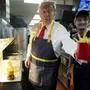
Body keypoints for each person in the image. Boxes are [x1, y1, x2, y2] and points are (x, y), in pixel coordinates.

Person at [25, 1, 77, 90]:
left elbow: (69, 44)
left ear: (54, 12)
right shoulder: (35, 27)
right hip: (33, 72)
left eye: (49, 11)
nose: (47, 14)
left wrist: (78, 52)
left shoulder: (60, 30)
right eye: (43, 12)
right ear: (40, 13)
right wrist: (28, 56)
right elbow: (30, 43)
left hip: (48, 77)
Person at [70, 10, 90, 90]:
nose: (82, 22)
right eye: (79, 19)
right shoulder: (73, 37)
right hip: (76, 71)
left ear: (88, 21)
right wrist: (71, 76)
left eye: (85, 19)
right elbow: (71, 57)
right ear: (75, 22)